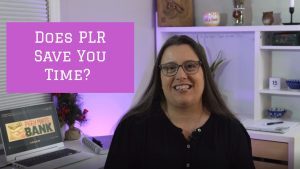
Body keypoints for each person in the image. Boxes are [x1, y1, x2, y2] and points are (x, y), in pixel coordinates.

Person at [104, 35, 255, 169]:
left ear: (205, 74)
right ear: (160, 77)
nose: (181, 75)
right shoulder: (131, 128)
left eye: (190, 66)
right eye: (170, 68)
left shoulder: (232, 131)